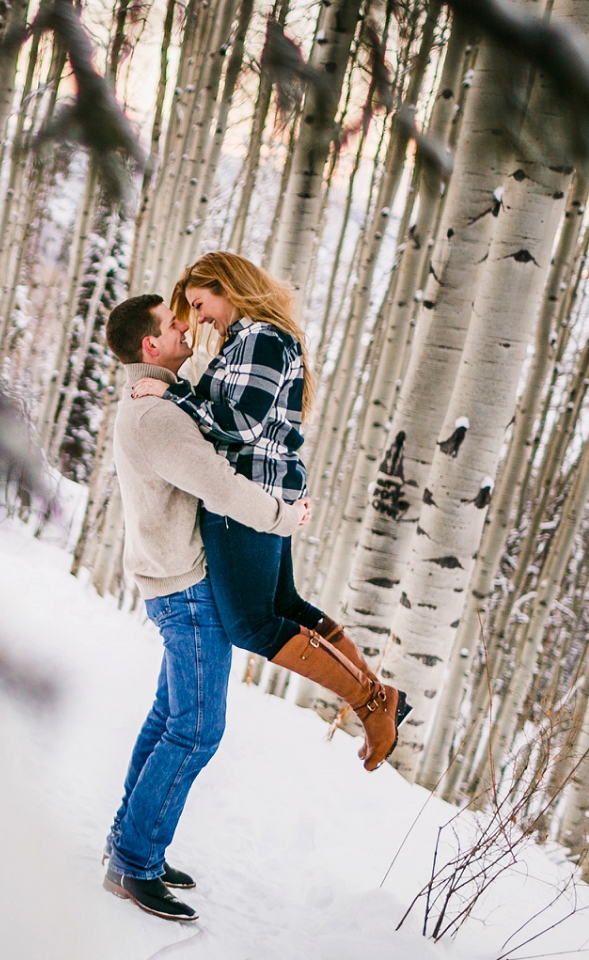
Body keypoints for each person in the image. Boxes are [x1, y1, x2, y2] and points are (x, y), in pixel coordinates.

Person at [130, 252, 407, 771]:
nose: (199, 317)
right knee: (285, 605)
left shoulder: (261, 337)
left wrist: (172, 396)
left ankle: (371, 702)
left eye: (199, 302)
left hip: (248, 497)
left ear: (227, 286)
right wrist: (186, 393)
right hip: (264, 493)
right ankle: (378, 699)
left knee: (252, 624)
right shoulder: (248, 339)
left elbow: (241, 424)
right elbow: (232, 412)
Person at [101, 293, 310, 922]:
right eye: (174, 324)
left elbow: (214, 404)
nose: (186, 326)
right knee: (196, 729)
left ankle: (129, 845)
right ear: (150, 347)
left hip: (172, 580)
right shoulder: (155, 418)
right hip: (186, 589)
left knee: (170, 719)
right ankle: (134, 865)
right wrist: (282, 516)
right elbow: (219, 484)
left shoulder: (157, 398)